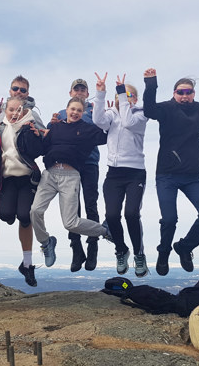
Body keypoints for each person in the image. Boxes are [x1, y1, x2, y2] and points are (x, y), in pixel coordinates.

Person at [142, 68, 199, 276]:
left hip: (193, 176)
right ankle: (164, 252)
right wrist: (151, 84)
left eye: (188, 92)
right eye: (180, 92)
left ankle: (185, 247)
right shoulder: (167, 109)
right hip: (166, 175)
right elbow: (149, 110)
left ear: (193, 93)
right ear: (174, 93)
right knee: (169, 219)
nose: (184, 95)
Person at [30, 97, 111, 279]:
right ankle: (46, 242)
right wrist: (38, 135)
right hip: (49, 174)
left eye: (79, 110)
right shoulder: (55, 126)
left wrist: (112, 115)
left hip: (70, 176)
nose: (75, 113)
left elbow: (106, 136)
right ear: (66, 110)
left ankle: (105, 230)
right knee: (35, 211)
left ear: (83, 113)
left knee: (70, 223)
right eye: (72, 109)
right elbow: (43, 148)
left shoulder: (87, 129)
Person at [0, 97, 46, 286]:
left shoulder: (29, 126)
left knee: (25, 216)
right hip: (6, 179)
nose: (15, 114)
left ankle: (27, 264)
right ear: (5, 111)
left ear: (24, 111)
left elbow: (37, 151)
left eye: (19, 110)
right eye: (11, 110)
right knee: (4, 214)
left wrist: (34, 133)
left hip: (26, 178)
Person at [92, 72, 150, 277]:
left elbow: (128, 122)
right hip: (114, 174)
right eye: (121, 96)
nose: (125, 98)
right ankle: (121, 250)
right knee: (111, 216)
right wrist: (100, 94)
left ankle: (139, 254)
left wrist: (122, 96)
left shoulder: (142, 113)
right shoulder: (111, 113)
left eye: (129, 95)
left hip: (135, 173)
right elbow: (98, 121)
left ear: (135, 99)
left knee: (132, 214)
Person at [55, 79, 101, 272]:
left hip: (90, 162)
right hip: (69, 164)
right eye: (77, 89)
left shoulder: (95, 110)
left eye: (83, 90)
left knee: (91, 203)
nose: (80, 92)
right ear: (70, 92)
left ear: (87, 93)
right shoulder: (62, 113)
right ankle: (76, 248)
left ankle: (93, 246)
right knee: (72, 206)